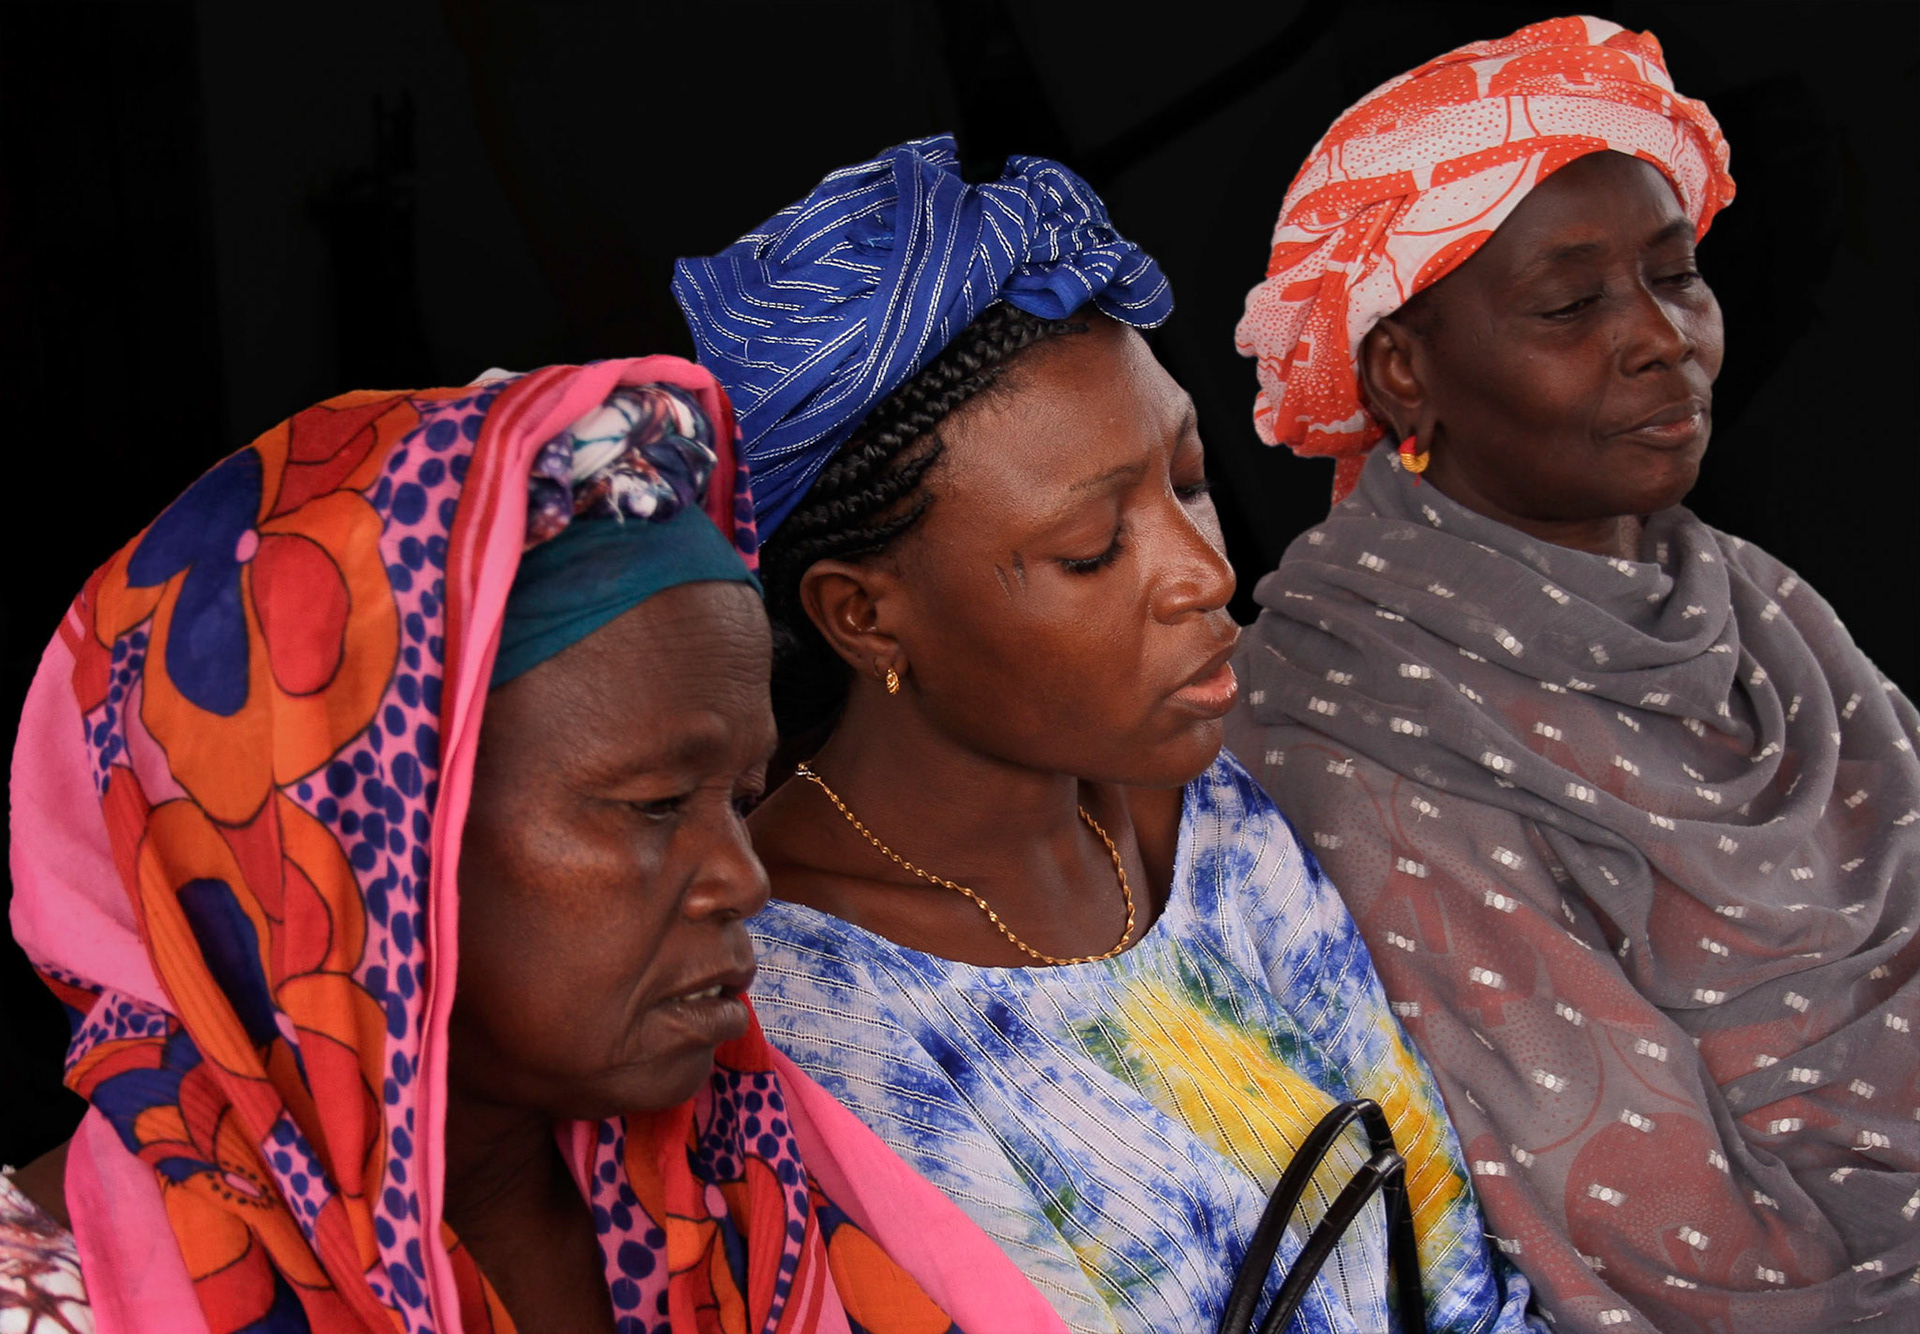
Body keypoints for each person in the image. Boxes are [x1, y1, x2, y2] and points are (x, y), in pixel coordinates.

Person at [3, 359, 1069, 1333]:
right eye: (654, 803)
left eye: (740, 798)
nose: (743, 876)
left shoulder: (763, 1175)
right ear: (359, 849)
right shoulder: (49, 1294)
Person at [674, 134, 1537, 1334]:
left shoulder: (1207, 807)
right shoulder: (804, 1006)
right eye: (1091, 551)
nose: (1204, 571)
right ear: (862, 616)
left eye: (1187, 480)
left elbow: (1456, 1263)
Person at [1228, 16, 1918, 1334]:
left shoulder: (1750, 600)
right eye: (1570, 304)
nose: (1662, 337)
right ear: (1404, 372)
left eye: (1679, 277)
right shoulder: (1362, 727)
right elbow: (1664, 1227)